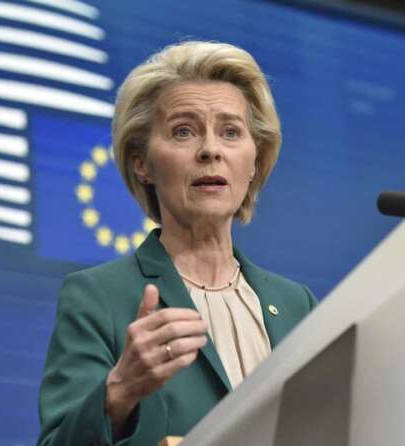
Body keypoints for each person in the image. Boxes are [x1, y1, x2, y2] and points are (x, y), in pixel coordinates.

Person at [37, 41, 317, 446]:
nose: (210, 150)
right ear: (142, 163)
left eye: (231, 132)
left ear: (254, 161)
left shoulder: (296, 305)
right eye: (183, 131)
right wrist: (119, 390)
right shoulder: (98, 296)